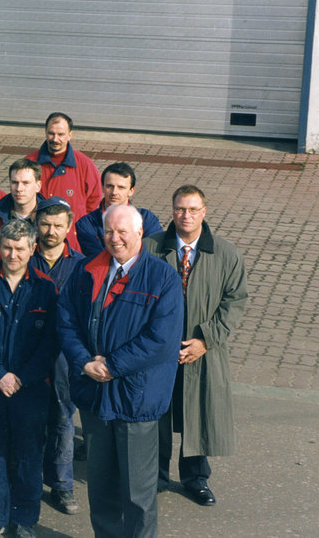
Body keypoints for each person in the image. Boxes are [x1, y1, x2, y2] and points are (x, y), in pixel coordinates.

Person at [57, 204, 184, 538]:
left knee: (138, 494)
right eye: (109, 232)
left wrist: (112, 367)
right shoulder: (87, 270)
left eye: (122, 232)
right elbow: (65, 320)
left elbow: (160, 340)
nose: (115, 239)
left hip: (135, 399)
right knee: (101, 490)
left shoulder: (162, 277)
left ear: (140, 234)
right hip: (95, 395)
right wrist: (84, 361)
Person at [145, 185, 247, 507]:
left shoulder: (226, 254)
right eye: (179, 209)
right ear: (171, 210)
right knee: (156, 416)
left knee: (197, 413)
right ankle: (155, 477)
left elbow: (235, 302)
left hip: (200, 351)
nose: (185, 216)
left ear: (204, 211)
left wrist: (205, 340)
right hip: (157, 352)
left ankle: (195, 478)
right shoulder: (150, 248)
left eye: (192, 209)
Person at [0, 219, 59, 538]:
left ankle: (24, 520)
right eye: (7, 246)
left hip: (31, 389)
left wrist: (22, 377)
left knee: (27, 455)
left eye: (20, 248)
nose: (13, 254)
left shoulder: (46, 288)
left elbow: (51, 342)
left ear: (33, 249)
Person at [29, 197, 85, 516]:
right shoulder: (23, 257)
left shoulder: (80, 265)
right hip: (30, 353)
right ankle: (30, 483)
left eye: (58, 225)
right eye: (46, 224)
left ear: (70, 225)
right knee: (32, 421)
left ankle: (62, 486)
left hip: (65, 357)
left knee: (63, 420)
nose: (51, 231)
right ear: (36, 224)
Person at [25, 112, 101, 233]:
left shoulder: (85, 165)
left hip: (73, 237)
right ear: (45, 132)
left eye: (60, 134)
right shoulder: (29, 163)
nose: (55, 139)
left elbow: (94, 198)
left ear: (70, 135)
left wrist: (79, 223)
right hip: (39, 235)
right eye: (51, 133)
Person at [77, 162, 162, 257]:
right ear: (102, 188)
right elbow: (97, 258)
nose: (114, 192)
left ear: (131, 191)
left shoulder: (147, 220)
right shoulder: (86, 224)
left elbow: (152, 254)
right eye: (109, 186)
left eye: (121, 187)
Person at [0, 158, 47, 269]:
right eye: (15, 182)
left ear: (38, 186)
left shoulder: (50, 220)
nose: (19, 189)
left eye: (26, 183)